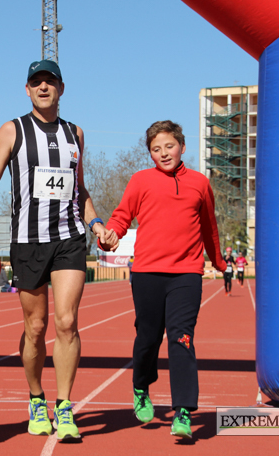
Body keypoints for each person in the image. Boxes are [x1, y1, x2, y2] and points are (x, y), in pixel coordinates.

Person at [0, 60, 116, 440]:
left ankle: (65, 405)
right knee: (35, 327)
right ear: (27, 89)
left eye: (49, 82)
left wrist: (96, 224)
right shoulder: (12, 130)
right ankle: (36, 398)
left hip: (70, 238)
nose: (43, 87)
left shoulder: (76, 134)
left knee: (67, 321)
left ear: (61, 88)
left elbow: (80, 189)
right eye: (36, 82)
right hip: (27, 239)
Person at [99, 120, 227, 439]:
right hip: (147, 273)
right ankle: (141, 386)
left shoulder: (199, 183)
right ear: (150, 154)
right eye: (156, 149)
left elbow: (210, 227)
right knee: (147, 339)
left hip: (186, 273)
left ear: (182, 147)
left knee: (181, 339)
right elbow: (121, 215)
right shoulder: (141, 181)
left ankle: (183, 410)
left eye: (169, 146)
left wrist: (220, 261)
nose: (163, 153)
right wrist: (109, 235)